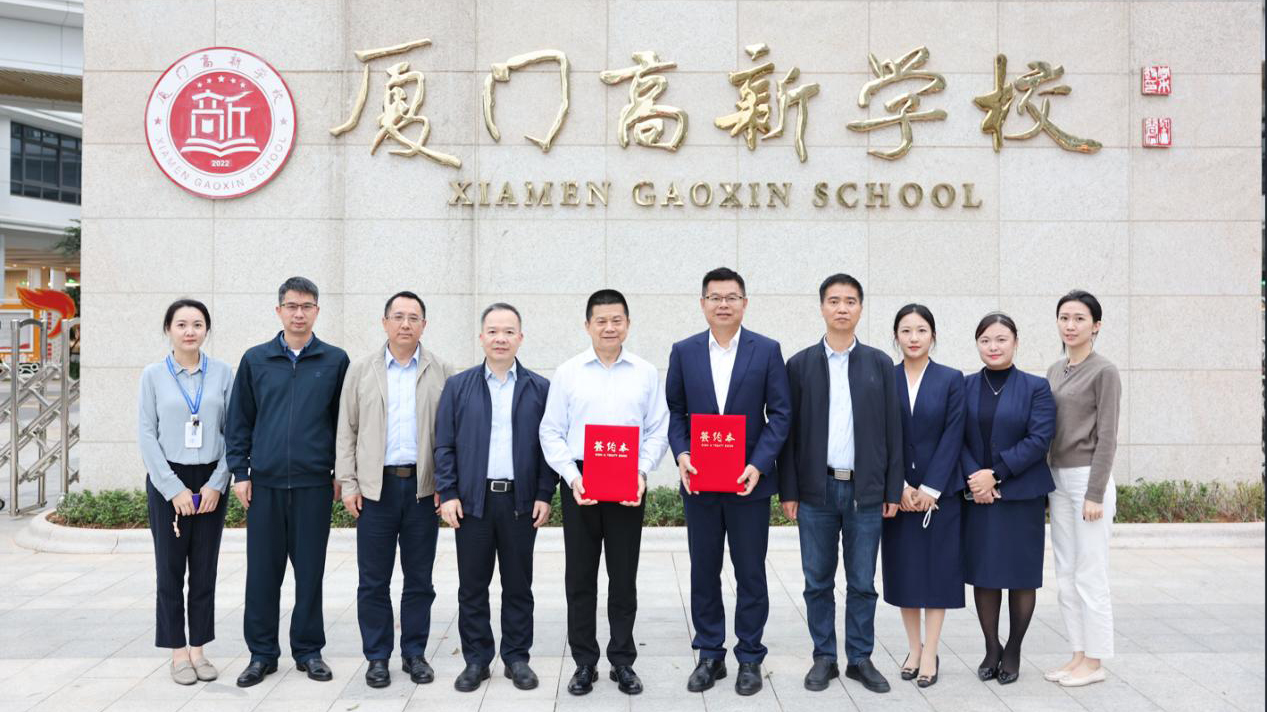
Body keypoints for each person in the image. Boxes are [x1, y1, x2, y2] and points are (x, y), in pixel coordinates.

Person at [666, 267, 791, 696]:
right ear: (703, 303)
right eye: (715, 297)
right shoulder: (684, 352)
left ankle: (750, 656)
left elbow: (781, 414)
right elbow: (675, 411)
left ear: (744, 303)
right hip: (700, 482)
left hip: (747, 484)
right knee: (704, 570)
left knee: (750, 571)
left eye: (731, 297)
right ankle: (710, 654)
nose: (723, 304)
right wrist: (682, 454)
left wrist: (759, 464)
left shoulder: (767, 350)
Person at [539, 289, 670, 696]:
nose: (609, 327)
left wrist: (642, 472)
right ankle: (584, 662)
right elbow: (551, 431)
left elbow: (658, 429)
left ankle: (622, 661)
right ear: (587, 326)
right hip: (581, 482)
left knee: (623, 576)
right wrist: (570, 476)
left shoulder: (645, 373)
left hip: (628, 480)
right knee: (580, 577)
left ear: (627, 325)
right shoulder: (568, 372)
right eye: (601, 321)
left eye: (617, 320)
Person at [778, 273, 903, 694]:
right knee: (817, 580)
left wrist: (891, 490)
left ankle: (860, 658)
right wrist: (789, 490)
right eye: (834, 300)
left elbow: (893, 431)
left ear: (860, 309)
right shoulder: (799, 365)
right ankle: (824, 657)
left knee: (863, 582)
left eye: (850, 301)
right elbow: (788, 434)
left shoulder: (879, 364)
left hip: (865, 492)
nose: (842, 308)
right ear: (822, 307)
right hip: (816, 490)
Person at [226, 277, 350, 688]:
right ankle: (261, 654)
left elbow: (343, 424)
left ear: (317, 311)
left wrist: (340, 472)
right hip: (265, 486)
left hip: (315, 486)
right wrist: (240, 473)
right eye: (292, 306)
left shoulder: (335, 361)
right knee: (262, 575)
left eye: (307, 306)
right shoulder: (256, 360)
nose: (299, 313)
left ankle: (309, 651)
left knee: (310, 574)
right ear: (278, 310)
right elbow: (239, 421)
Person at [434, 303, 556, 693]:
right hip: (473, 502)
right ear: (481, 337)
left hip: (520, 502)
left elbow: (550, 447)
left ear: (520, 337)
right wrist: (449, 492)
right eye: (493, 331)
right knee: (472, 586)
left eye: (508, 331)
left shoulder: (540, 388)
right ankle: (476, 660)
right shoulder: (459, 386)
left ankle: (517, 658)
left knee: (518, 585)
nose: (500, 338)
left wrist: (544, 493)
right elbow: (444, 445)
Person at [335, 291, 452, 689]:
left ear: (424, 325)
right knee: (373, 581)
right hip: (376, 490)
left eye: (413, 317)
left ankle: (414, 654)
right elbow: (346, 431)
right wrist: (349, 483)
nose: (405, 324)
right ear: (384, 322)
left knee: (419, 580)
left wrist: (447, 484)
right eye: (398, 316)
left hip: (423, 490)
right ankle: (377, 657)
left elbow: (452, 435)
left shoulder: (442, 371)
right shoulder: (361, 370)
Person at [138, 299, 233, 685]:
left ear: (206, 330)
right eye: (181, 324)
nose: (190, 331)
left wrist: (217, 483)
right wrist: (172, 489)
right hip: (168, 479)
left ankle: (199, 649)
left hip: (211, 479)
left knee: (205, 571)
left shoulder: (223, 373)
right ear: (168, 329)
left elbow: (234, 432)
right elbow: (147, 434)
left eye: (197, 324)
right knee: (170, 570)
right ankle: (178, 652)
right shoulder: (153, 375)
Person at [961, 312, 1055, 685]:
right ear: (977, 344)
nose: (993, 346)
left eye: (1001, 339)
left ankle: (1013, 648)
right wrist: (976, 480)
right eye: (985, 340)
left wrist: (996, 474)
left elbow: (1039, 439)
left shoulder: (1036, 387)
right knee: (984, 574)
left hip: (1021, 496)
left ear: (1015, 342)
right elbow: (956, 437)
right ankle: (991, 647)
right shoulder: (964, 386)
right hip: (978, 497)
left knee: (1020, 576)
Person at [880, 304, 966, 689]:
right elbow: (879, 435)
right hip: (897, 496)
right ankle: (913, 649)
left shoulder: (951, 379)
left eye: (921, 330)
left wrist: (931, 488)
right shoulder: (885, 377)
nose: (913, 338)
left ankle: (930, 651)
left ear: (933, 335)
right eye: (906, 330)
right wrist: (899, 486)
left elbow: (954, 434)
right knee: (906, 573)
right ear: (896, 336)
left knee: (937, 574)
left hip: (939, 497)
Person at [1044, 291, 1120, 688]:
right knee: (1067, 574)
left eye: (1079, 318)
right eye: (1064, 318)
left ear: (1096, 325)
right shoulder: (1056, 370)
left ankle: (1095, 660)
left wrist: (1095, 493)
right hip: (1058, 480)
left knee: (1091, 573)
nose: (1070, 325)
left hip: (1088, 478)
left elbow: (1107, 436)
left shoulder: (1104, 371)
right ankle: (1077, 654)